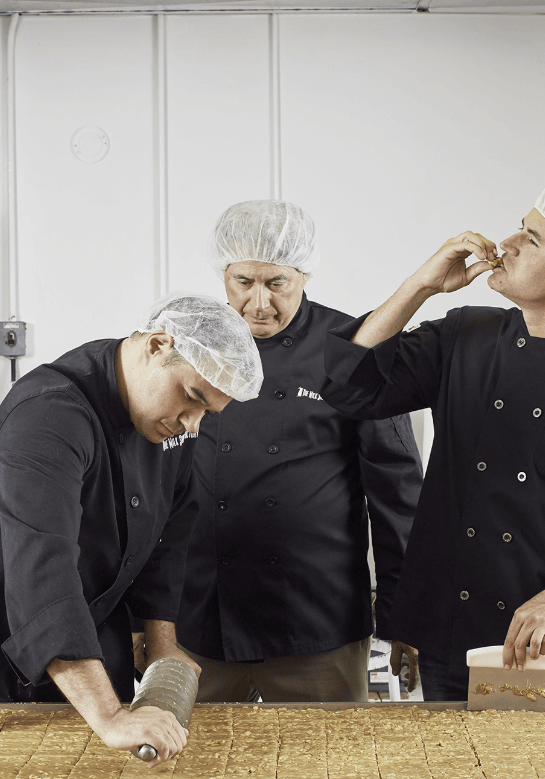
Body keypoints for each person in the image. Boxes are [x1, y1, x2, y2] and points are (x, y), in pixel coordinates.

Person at [321, 175, 545, 701]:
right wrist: (420, 285)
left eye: (532, 239)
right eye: (519, 228)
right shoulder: (467, 335)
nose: (505, 245)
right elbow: (350, 387)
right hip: (447, 629)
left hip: (540, 644)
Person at [0, 292, 262, 764]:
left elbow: (169, 536)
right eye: (192, 397)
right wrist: (110, 717)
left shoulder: (169, 422)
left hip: (92, 642)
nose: (193, 425)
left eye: (207, 413)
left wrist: (161, 642)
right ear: (158, 345)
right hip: (2, 656)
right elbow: (42, 575)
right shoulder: (47, 417)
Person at [167, 200, 423, 702]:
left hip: (316, 620)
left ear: (304, 273)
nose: (259, 303)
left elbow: (397, 494)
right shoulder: (187, 344)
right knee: (196, 772)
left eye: (276, 284)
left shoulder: (353, 348)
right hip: (200, 620)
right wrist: (142, 617)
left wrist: (404, 616)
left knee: (330, 773)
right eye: (243, 282)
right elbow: (149, 488)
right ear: (224, 272)